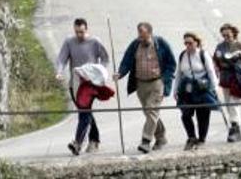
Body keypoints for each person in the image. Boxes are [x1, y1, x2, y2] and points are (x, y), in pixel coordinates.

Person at [116, 22, 176, 154]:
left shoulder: (161, 44)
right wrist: (120, 73)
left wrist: (165, 79)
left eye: (143, 35)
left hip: (157, 82)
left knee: (151, 109)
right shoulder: (135, 44)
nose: (140, 38)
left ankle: (146, 141)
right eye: (138, 34)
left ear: (150, 33)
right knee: (149, 112)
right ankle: (161, 138)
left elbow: (172, 63)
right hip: (140, 83)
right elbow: (127, 60)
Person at [54, 18, 111, 155]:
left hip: (90, 84)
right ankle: (94, 140)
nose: (79, 35)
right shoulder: (69, 42)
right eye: (76, 32)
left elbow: (105, 59)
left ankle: (78, 143)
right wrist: (59, 72)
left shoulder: (94, 42)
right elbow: (61, 59)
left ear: (86, 30)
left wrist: (99, 71)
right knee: (85, 112)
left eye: (81, 32)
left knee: (84, 112)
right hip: (75, 84)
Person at [174, 31, 219, 151]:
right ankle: (191, 137)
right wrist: (175, 90)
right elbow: (178, 73)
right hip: (187, 89)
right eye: (186, 43)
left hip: (202, 88)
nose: (188, 46)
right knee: (185, 114)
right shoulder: (182, 55)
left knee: (202, 115)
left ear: (196, 43)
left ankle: (202, 139)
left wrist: (215, 89)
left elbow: (211, 72)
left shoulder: (203, 55)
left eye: (190, 43)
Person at [213, 23, 241, 143]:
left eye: (228, 34)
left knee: (233, 103)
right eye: (223, 35)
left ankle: (235, 126)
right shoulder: (220, 46)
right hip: (225, 78)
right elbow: (215, 60)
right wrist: (216, 69)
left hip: (238, 78)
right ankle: (235, 129)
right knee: (228, 104)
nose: (226, 37)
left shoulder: (239, 46)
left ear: (233, 33)